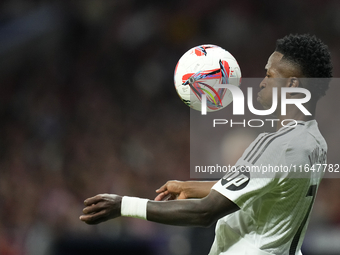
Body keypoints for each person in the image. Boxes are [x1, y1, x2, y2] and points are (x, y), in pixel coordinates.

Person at [79, 34, 333, 255]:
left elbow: (205, 213)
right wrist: (190, 186)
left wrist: (124, 205)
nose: (262, 81)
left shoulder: (277, 144)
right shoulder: (313, 141)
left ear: (292, 85)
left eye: (269, 74)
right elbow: (264, 186)